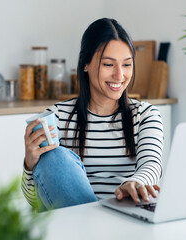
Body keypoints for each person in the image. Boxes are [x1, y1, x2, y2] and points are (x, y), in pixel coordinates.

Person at [21, 18, 163, 211]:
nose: (120, 75)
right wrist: (30, 165)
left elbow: (152, 165)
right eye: (108, 64)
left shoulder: (145, 115)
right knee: (54, 158)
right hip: (76, 222)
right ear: (85, 64)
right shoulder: (57, 117)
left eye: (127, 64)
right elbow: (34, 201)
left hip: (125, 217)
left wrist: (136, 183)